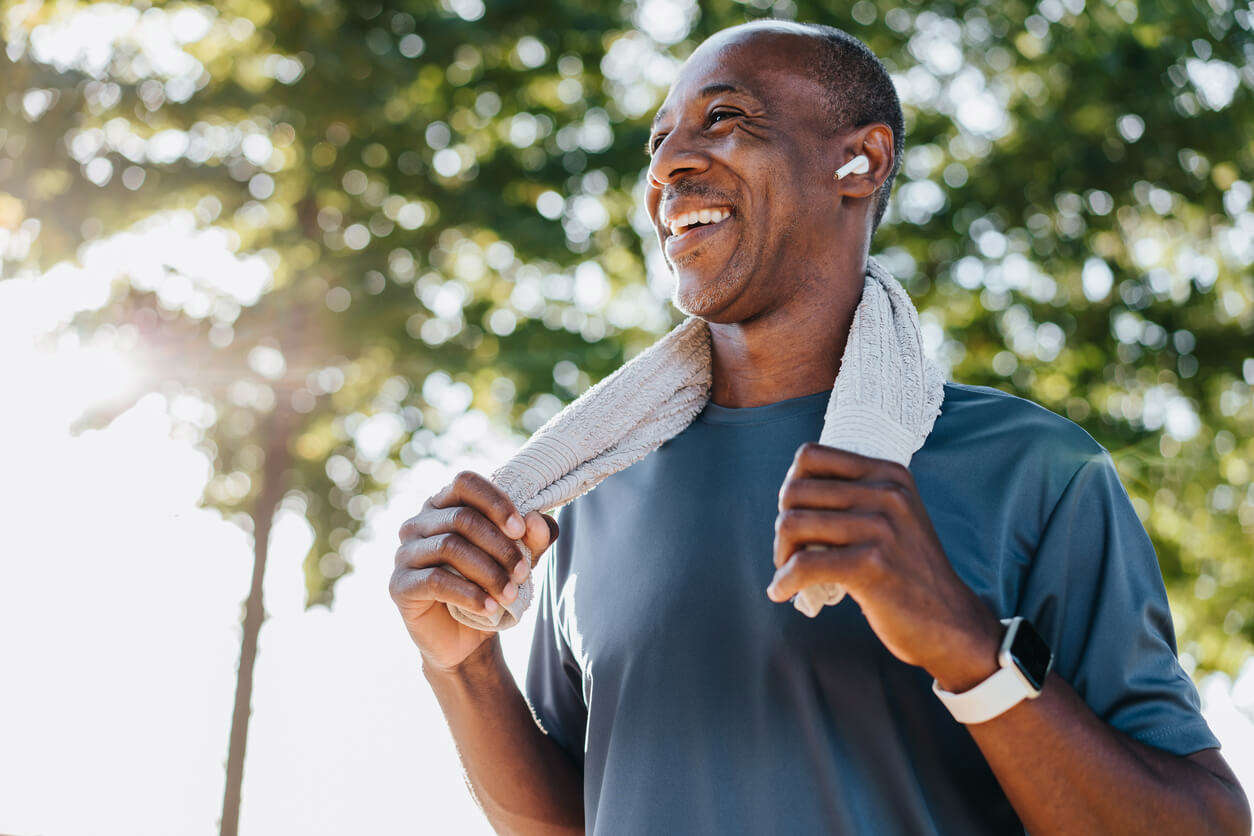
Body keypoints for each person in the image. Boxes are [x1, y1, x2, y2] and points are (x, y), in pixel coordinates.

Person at [389, 19, 1250, 835]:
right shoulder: (588, 488)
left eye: (724, 119)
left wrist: (968, 647)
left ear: (859, 163)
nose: (669, 167)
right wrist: (462, 667)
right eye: (658, 143)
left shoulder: (1034, 471)